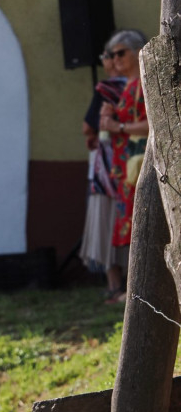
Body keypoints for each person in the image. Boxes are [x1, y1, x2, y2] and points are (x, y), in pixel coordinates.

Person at [99, 29, 149, 304]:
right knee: (132, 227)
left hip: (140, 165)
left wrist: (117, 126)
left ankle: (140, 289)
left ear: (138, 51)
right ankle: (135, 289)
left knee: (142, 225)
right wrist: (109, 119)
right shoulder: (128, 85)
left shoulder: (144, 82)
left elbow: (150, 124)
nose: (115, 59)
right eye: (111, 54)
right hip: (126, 169)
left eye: (120, 53)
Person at [78, 40, 127, 297]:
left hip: (110, 166)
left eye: (107, 56)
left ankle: (114, 285)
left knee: (106, 220)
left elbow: (88, 127)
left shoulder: (108, 88)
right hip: (133, 163)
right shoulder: (139, 84)